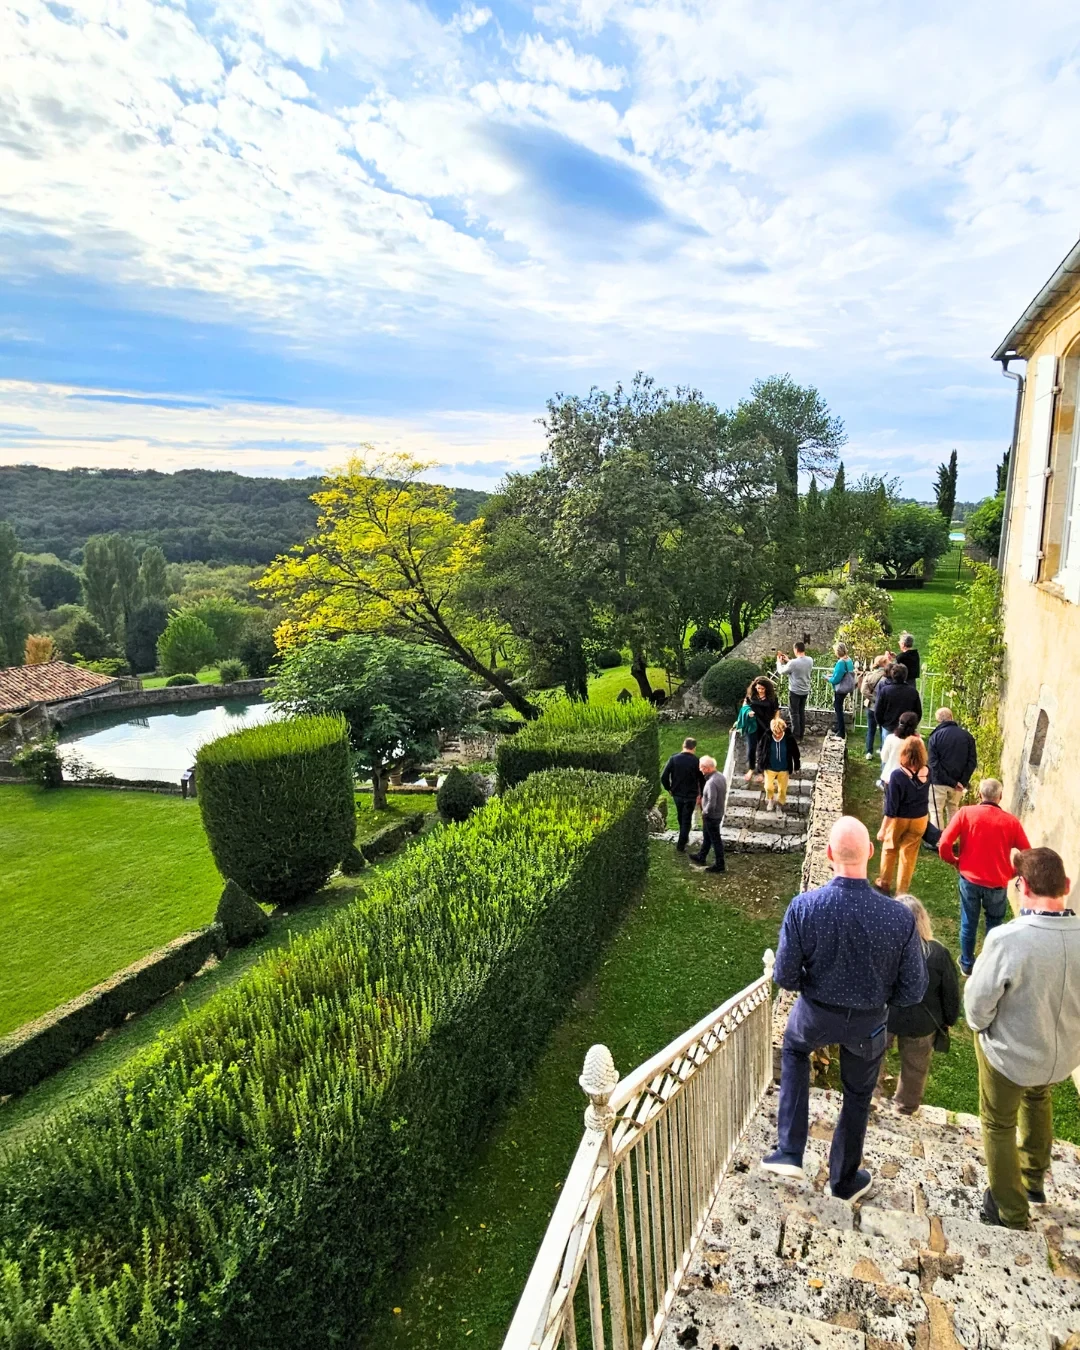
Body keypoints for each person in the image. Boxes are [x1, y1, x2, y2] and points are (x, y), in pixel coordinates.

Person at [762, 816, 927, 1202]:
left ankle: (789, 1148)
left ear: (829, 853)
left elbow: (785, 976)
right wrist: (878, 996)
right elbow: (912, 990)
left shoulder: (805, 907)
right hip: (868, 1025)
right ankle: (843, 1180)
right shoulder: (900, 917)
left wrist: (817, 985)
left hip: (815, 1015)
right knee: (856, 1095)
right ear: (870, 853)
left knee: (794, 1051)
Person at [965, 847, 1080, 1229]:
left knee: (998, 1124)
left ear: (1022, 886)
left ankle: (1011, 1211)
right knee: (1039, 1096)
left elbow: (977, 1008)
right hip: (1059, 1055)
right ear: (1064, 886)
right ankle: (1032, 1181)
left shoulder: (1007, 939)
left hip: (1010, 1057)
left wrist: (984, 1029)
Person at [938, 778, 1031, 976]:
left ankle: (966, 963)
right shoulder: (1011, 822)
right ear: (1000, 797)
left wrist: (955, 861)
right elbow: (1028, 854)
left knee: (968, 922)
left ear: (980, 795)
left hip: (969, 880)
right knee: (995, 925)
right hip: (997, 883)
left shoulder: (965, 813)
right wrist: (1012, 872)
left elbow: (944, 842)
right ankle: (990, 963)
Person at [878, 894, 960, 1114]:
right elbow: (950, 993)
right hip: (921, 1023)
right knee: (915, 1067)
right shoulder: (938, 954)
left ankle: (869, 1097)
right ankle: (905, 1107)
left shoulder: (882, 949)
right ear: (923, 919)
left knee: (872, 1057)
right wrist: (949, 1019)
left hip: (885, 1016)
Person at [878, 736, 930, 895]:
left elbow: (891, 807)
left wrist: (883, 829)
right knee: (909, 855)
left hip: (899, 818)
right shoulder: (928, 771)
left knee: (890, 848)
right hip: (920, 818)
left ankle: (884, 883)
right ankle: (902, 891)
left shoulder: (897, 776)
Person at [927, 708, 977, 829]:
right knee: (953, 809)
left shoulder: (935, 737)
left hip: (938, 782)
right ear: (952, 717)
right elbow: (972, 762)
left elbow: (934, 764)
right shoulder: (967, 736)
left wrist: (951, 782)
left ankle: (938, 841)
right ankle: (952, 840)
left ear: (938, 720)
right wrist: (961, 782)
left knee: (936, 811)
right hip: (959, 783)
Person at [660, 736, 705, 854]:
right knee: (686, 819)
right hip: (691, 796)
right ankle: (681, 843)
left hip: (677, 794)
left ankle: (683, 837)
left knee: (681, 816)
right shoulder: (697, 761)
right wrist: (701, 794)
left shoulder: (673, 759)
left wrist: (668, 788)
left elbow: (664, 776)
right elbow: (702, 780)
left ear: (683, 746)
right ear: (694, 748)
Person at [757, 713, 801, 812]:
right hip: (770, 767)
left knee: (782, 790)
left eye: (779, 733)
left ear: (783, 730)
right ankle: (771, 799)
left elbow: (795, 752)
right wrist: (760, 766)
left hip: (784, 768)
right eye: (775, 733)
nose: (777, 735)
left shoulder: (789, 738)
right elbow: (760, 751)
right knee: (768, 787)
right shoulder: (767, 737)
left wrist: (797, 764)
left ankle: (780, 804)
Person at [690, 754, 726, 873]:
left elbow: (711, 801)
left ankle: (720, 864)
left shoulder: (711, 783)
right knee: (707, 836)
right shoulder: (721, 777)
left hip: (711, 816)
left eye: (701, 767)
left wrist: (705, 813)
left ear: (707, 768)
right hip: (718, 813)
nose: (700, 770)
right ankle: (702, 856)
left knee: (715, 840)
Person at [744, 676, 779, 783]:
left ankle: (761, 771)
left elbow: (776, 711)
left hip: (766, 726)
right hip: (753, 725)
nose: (760, 690)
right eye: (758, 688)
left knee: (763, 749)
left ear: (767, 688)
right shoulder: (751, 696)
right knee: (751, 748)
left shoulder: (772, 698)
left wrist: (776, 722)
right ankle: (751, 769)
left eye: (762, 689)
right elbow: (744, 707)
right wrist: (747, 712)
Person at [776, 642, 814, 740]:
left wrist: (779, 662)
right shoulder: (810, 660)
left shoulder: (793, 663)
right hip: (805, 691)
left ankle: (796, 736)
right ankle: (801, 734)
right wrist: (788, 660)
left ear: (795, 650)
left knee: (794, 713)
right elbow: (798, 664)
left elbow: (781, 671)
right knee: (801, 712)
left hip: (795, 691)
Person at [874, 662, 923, 736]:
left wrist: (882, 723)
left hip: (888, 726)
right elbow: (918, 712)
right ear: (906, 675)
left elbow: (878, 709)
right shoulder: (912, 692)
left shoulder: (885, 690)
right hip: (906, 727)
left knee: (888, 747)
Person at [878, 710, 920, 790]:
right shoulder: (917, 741)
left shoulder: (890, 738)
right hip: (910, 779)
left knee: (889, 801)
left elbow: (884, 758)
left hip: (890, 777)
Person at [861, 655, 891, 761]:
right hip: (883, 708)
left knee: (871, 730)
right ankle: (883, 749)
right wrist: (880, 701)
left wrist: (874, 699)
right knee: (884, 730)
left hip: (871, 706)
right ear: (883, 663)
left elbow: (863, 690)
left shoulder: (870, 675)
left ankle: (869, 751)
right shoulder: (888, 677)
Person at [827, 642, 856, 738]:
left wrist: (828, 678)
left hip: (840, 688)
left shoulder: (840, 662)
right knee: (839, 707)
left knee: (838, 708)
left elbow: (836, 679)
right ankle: (839, 727)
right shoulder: (849, 660)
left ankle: (841, 731)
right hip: (847, 686)